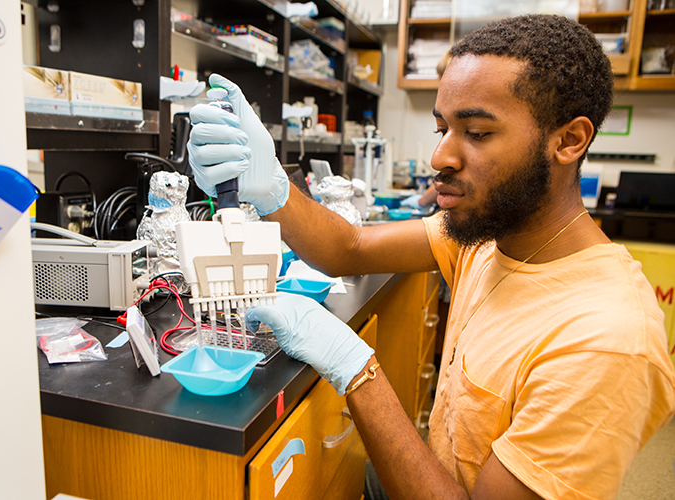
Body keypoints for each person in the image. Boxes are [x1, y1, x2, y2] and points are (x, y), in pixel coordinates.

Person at [186, 14, 675, 500]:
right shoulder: (489, 233)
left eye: (477, 133)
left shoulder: (607, 342)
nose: (440, 156)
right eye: (442, 127)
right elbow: (347, 247)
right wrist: (270, 185)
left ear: (568, 140)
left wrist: (356, 369)